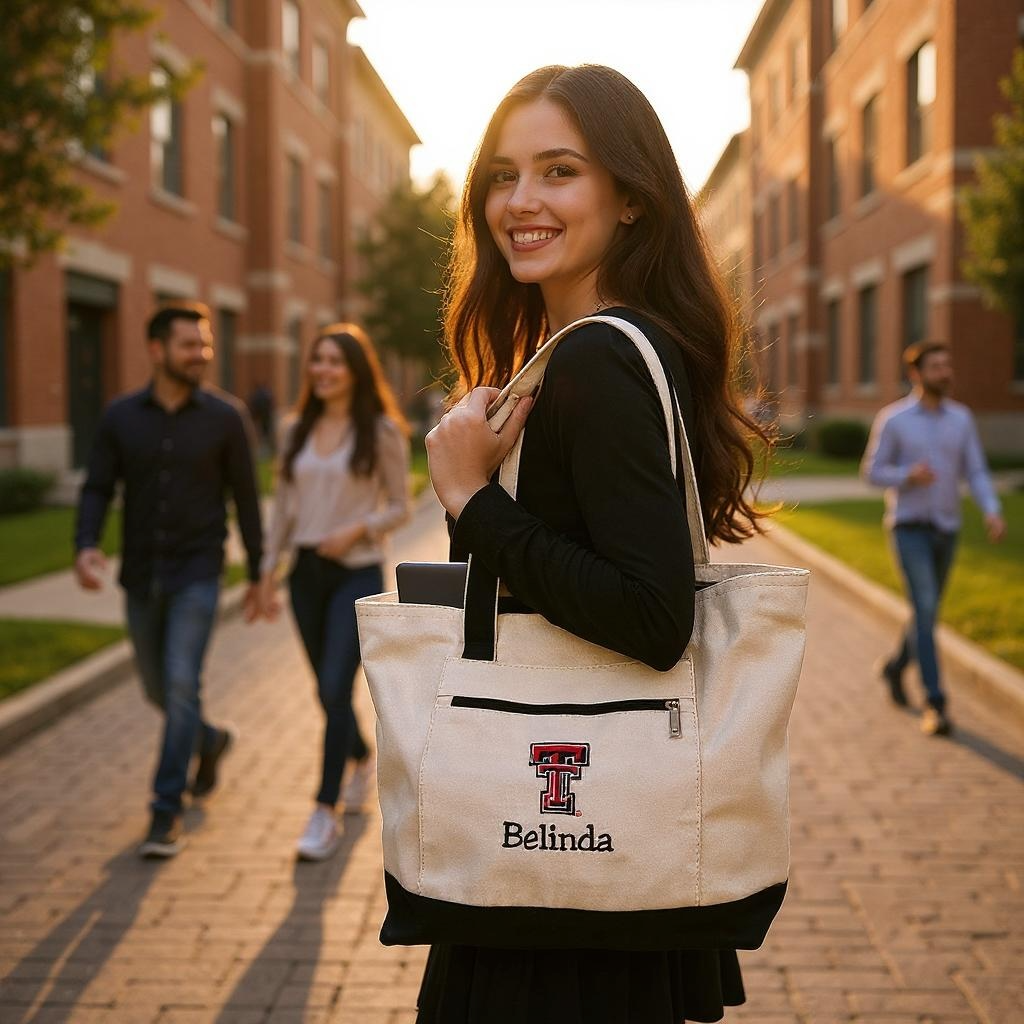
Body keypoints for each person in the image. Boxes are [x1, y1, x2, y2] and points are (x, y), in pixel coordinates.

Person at [421, 64, 770, 1024]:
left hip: (561, 876)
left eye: (559, 171)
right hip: (588, 848)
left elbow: (653, 617)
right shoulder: (591, 351)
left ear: (630, 198)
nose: (520, 201)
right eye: (502, 175)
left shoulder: (601, 359)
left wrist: (471, 498)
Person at [74, 303, 264, 858]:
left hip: (198, 572)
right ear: (156, 350)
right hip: (140, 574)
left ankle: (165, 808)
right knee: (158, 691)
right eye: (189, 345)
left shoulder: (226, 417)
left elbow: (247, 499)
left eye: (205, 344)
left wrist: (258, 573)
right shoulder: (120, 417)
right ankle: (210, 739)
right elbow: (97, 487)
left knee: (182, 684)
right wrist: (85, 544)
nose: (201, 354)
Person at [258, 323, 411, 861]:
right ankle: (361, 755)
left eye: (334, 361)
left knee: (331, 687)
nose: (322, 370)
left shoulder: (381, 431)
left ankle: (325, 812)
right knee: (328, 694)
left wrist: (357, 529)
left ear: (355, 371)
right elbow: (283, 508)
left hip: (357, 573)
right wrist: (266, 570)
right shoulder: (294, 429)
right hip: (306, 574)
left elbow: (402, 506)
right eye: (316, 360)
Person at [862, 340, 1005, 736]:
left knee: (925, 613)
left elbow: (975, 470)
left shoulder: (961, 418)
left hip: (947, 528)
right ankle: (936, 703)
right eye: (937, 366)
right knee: (925, 607)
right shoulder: (894, 419)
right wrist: (907, 475)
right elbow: (871, 471)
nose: (945, 372)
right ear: (916, 374)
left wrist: (991, 509)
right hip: (908, 528)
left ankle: (895, 667)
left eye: (947, 365)